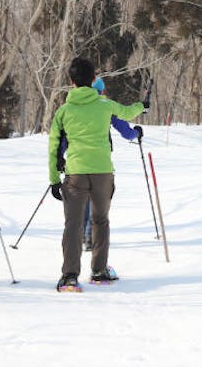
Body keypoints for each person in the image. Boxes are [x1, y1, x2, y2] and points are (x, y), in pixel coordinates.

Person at [48, 57, 146, 292]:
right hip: (103, 172)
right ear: (94, 80)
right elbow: (128, 113)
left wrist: (54, 178)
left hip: (76, 174)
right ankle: (99, 271)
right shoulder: (105, 106)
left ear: (71, 81)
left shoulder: (63, 111)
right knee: (101, 220)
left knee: (73, 225)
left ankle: (70, 276)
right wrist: (142, 105)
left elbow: (53, 146)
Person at [82, 77, 143, 251]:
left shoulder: (74, 106)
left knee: (83, 200)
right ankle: (89, 238)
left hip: (76, 161)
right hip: (100, 162)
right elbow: (126, 132)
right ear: (101, 91)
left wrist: (59, 158)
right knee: (97, 200)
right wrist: (136, 133)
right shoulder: (105, 106)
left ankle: (82, 236)